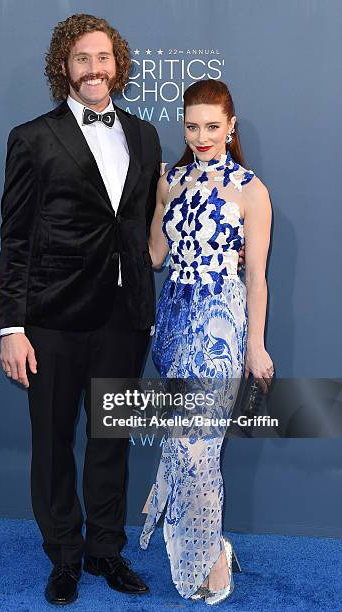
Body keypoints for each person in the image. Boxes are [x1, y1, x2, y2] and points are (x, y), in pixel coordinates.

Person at [0, 13, 161, 605]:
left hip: (123, 317)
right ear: (63, 67)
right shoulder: (33, 137)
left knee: (111, 440)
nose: (95, 69)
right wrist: (11, 326)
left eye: (104, 58)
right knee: (53, 438)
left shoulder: (143, 136)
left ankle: (105, 550)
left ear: (119, 66)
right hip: (53, 316)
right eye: (83, 59)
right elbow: (15, 239)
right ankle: (64, 553)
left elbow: (140, 228)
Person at [140, 79, 273, 605]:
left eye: (212, 127)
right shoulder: (170, 179)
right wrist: (158, 200)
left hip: (221, 323)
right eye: (192, 126)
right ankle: (206, 543)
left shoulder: (252, 190)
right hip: (173, 320)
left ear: (231, 127)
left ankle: (211, 551)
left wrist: (255, 347)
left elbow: (258, 277)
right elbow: (155, 256)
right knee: (183, 442)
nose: (201, 136)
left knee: (197, 450)